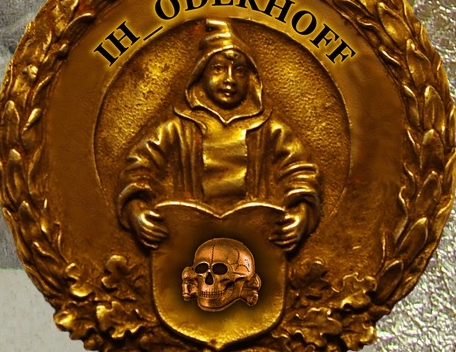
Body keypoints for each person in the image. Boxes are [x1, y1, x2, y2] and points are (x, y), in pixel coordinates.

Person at [118, 19, 321, 250]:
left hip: (257, 243)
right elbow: (139, 169)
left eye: (240, 71)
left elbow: (301, 172)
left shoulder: (270, 130)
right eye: (218, 68)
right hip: (186, 242)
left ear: (251, 79)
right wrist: (136, 210)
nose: (229, 79)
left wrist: (302, 213)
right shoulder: (176, 128)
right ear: (200, 73)